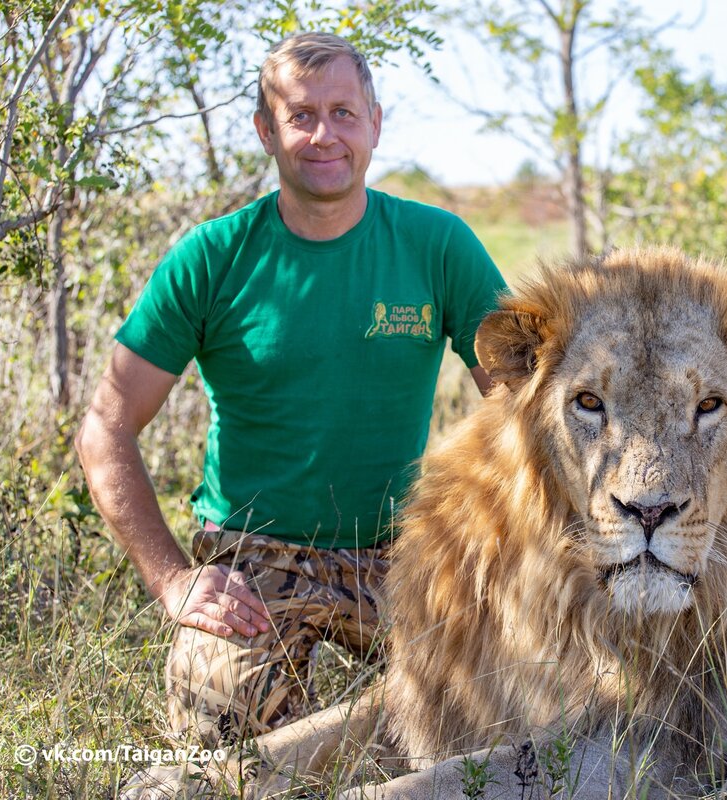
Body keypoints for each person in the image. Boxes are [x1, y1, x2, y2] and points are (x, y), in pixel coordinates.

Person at [74, 32, 507, 746]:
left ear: (375, 122)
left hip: (407, 552)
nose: (323, 134)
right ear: (266, 131)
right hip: (255, 557)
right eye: (300, 115)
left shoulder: (437, 244)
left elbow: (522, 400)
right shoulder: (213, 257)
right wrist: (174, 581)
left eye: (342, 112)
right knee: (220, 747)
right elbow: (104, 430)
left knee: (492, 724)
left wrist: (494, 543)